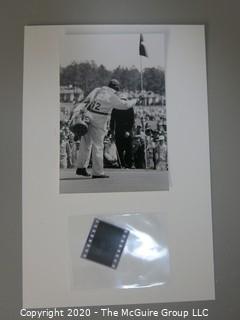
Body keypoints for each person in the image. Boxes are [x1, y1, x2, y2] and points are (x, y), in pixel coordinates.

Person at [74, 79, 138, 178]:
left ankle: (81, 167)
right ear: (116, 88)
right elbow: (124, 105)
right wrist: (136, 100)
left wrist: (80, 113)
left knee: (85, 143)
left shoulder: (98, 90)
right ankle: (97, 172)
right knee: (98, 146)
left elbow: (87, 100)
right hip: (99, 119)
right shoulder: (112, 96)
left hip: (88, 116)